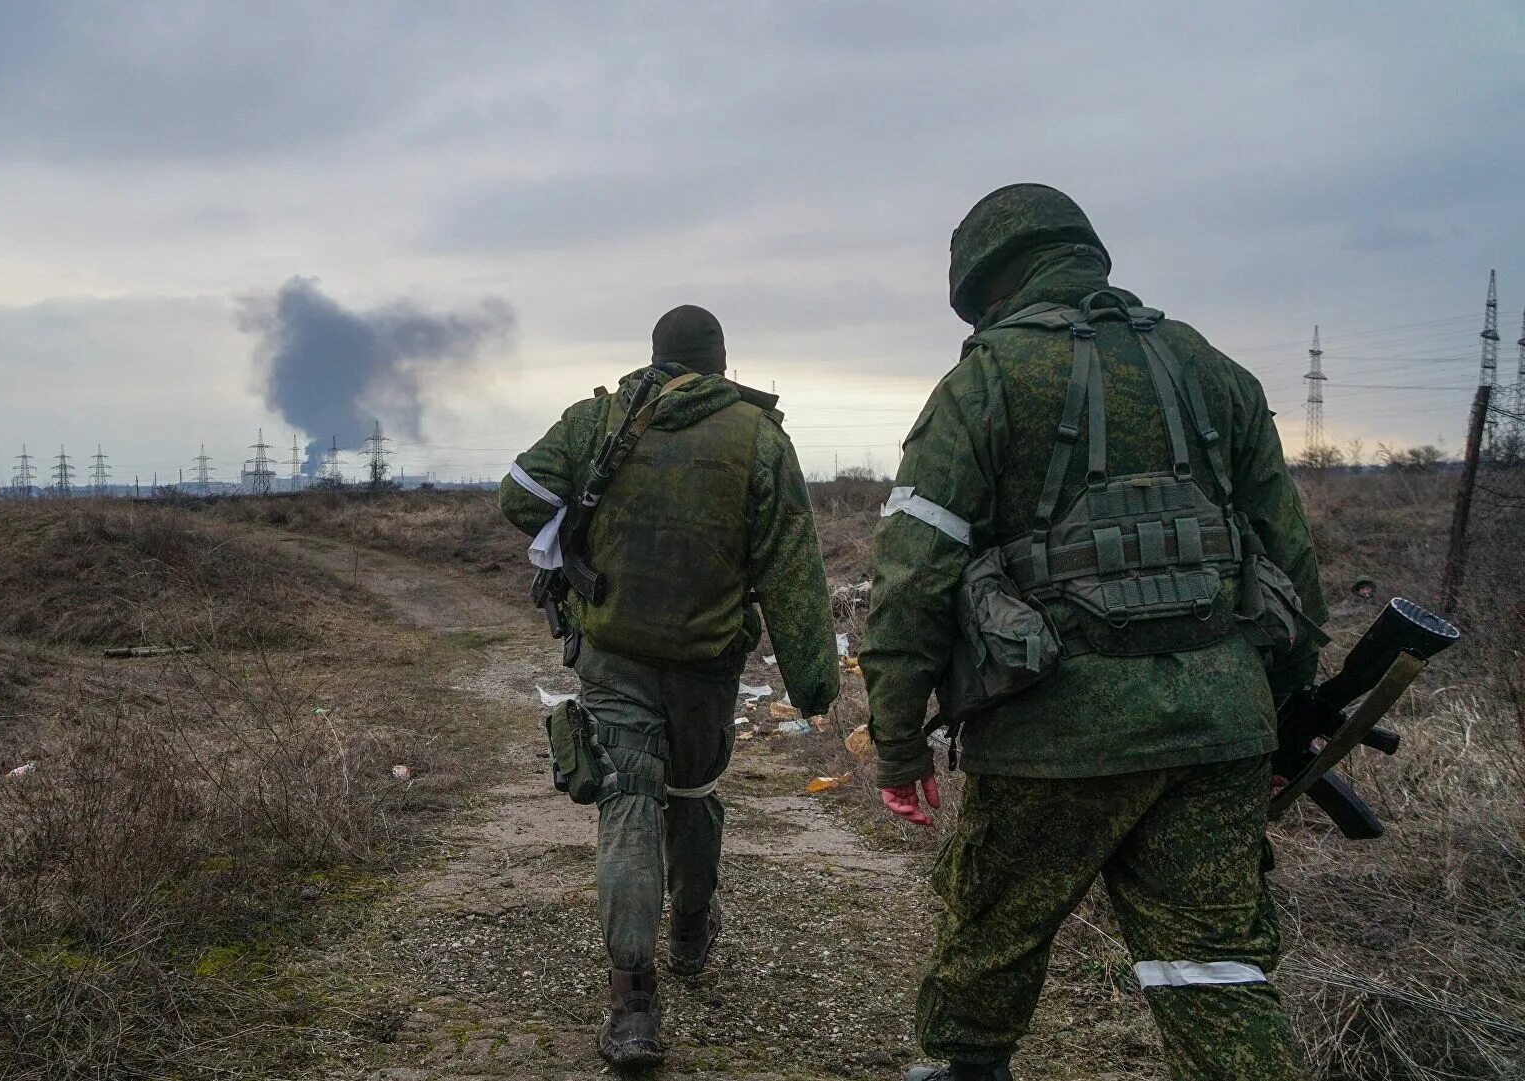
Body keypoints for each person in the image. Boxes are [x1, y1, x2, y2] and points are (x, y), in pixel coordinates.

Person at [861, 185, 1327, 1081]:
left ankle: (968, 1069)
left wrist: (896, 742)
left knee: (993, 929)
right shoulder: (1213, 367)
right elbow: (1291, 561)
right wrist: (1287, 710)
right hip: (1221, 720)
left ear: (986, 286)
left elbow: (911, 577)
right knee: (1215, 960)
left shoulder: (986, 379)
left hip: (1051, 731)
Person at [500, 304, 840, 1069]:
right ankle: (690, 931)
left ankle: (632, 1009)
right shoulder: (759, 437)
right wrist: (815, 685)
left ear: (653, 354)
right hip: (706, 668)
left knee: (625, 802)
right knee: (692, 795)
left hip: (613, 656)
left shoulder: (601, 418)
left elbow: (517, 494)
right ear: (722, 362)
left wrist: (583, 526)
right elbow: (793, 570)